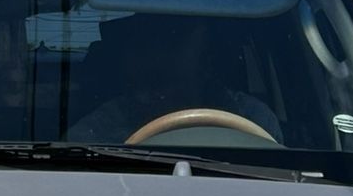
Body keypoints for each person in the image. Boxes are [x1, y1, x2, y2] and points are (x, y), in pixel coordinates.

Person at [66, 10, 283, 145]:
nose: (157, 55)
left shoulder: (252, 119)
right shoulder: (98, 130)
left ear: (208, 55)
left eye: (173, 41)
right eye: (146, 43)